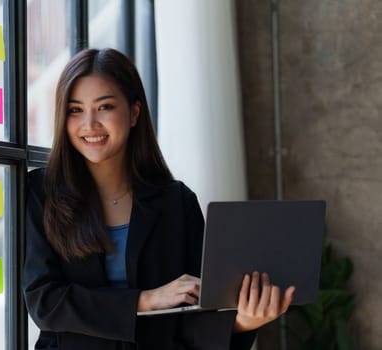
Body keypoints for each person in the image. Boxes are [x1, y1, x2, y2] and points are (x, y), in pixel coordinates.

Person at [24, 48, 295, 349]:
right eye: (75, 110)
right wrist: (146, 300)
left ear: (134, 112)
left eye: (105, 107)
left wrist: (243, 322)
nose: (89, 124)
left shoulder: (177, 203)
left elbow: (193, 317)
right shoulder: (41, 192)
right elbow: (45, 302)